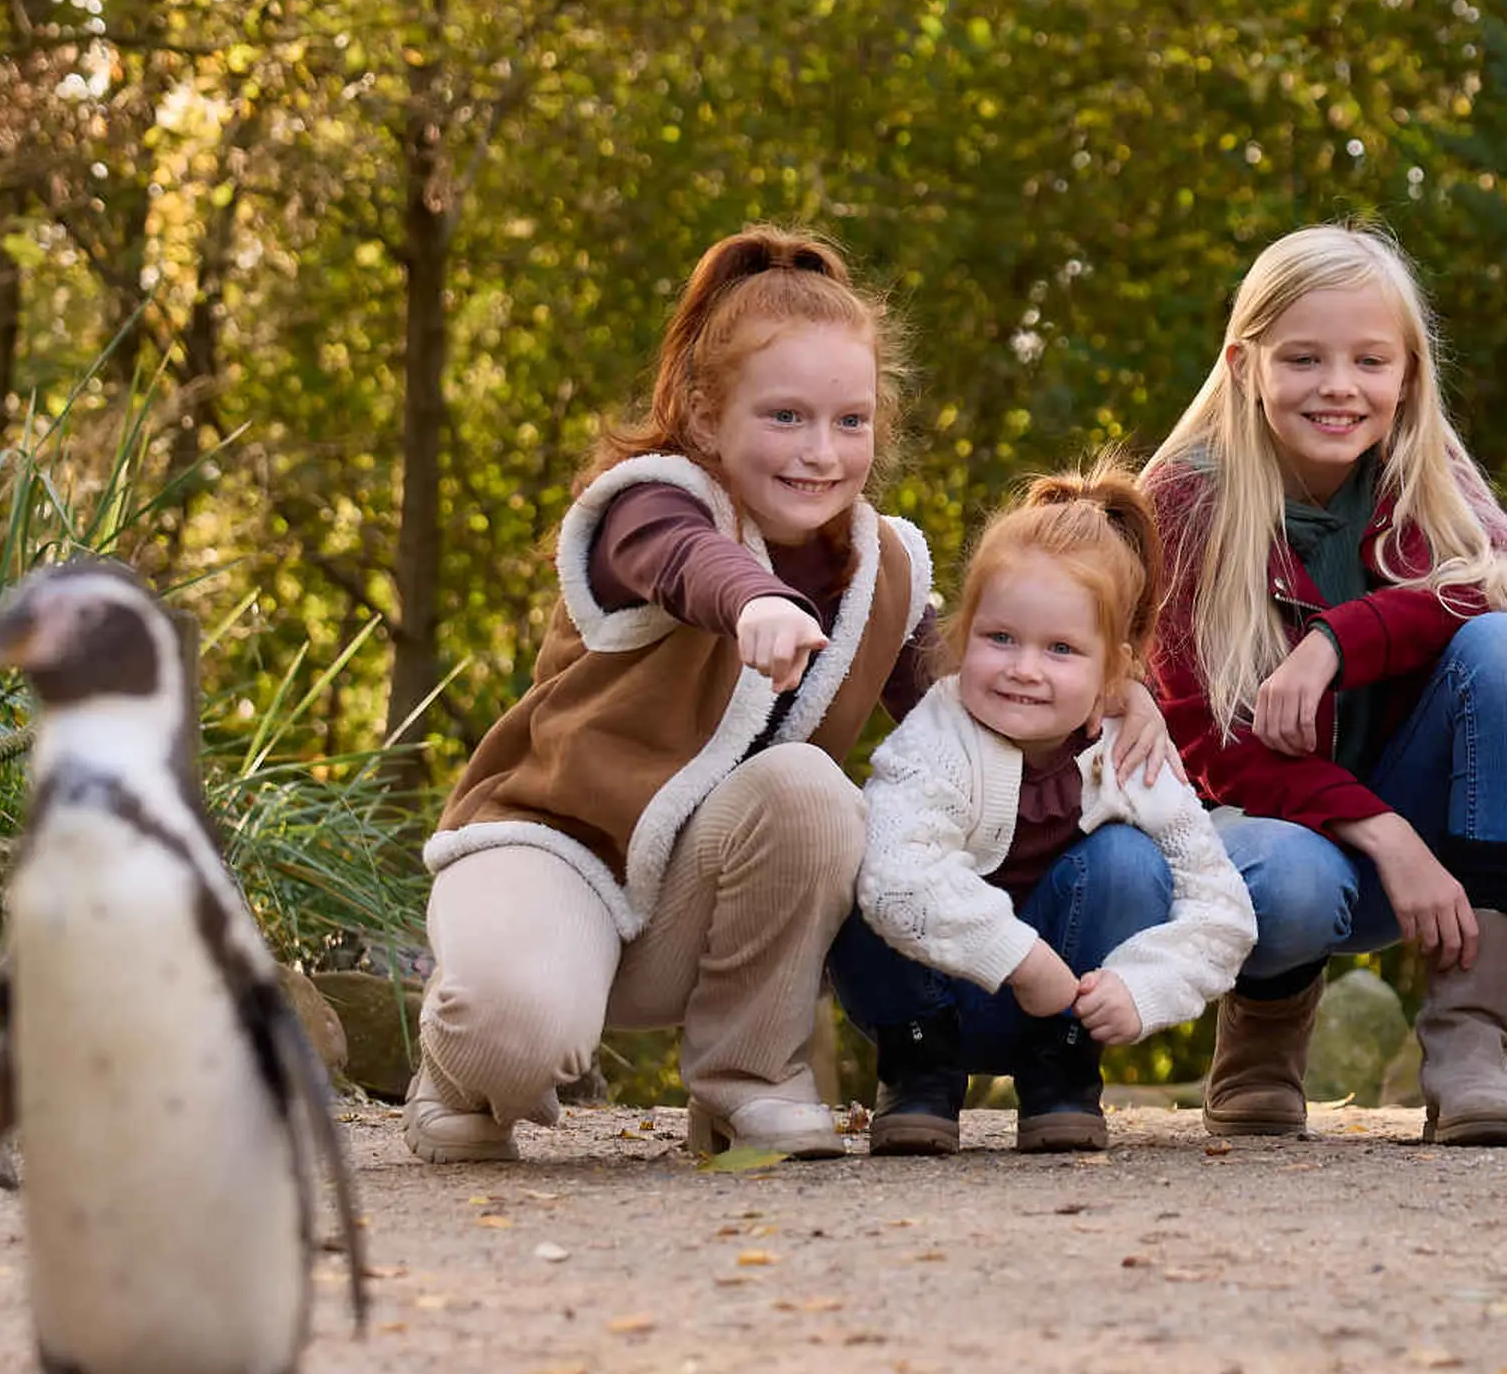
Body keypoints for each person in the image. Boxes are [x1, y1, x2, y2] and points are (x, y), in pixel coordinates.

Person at [407, 225, 934, 1164]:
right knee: (513, 1036)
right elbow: (687, 560)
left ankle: (749, 1077)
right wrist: (757, 601)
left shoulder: (881, 565)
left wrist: (1111, 704)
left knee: (814, 789)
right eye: (784, 418)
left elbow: (973, 704)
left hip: (692, 909)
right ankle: (457, 1071)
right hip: (553, 854)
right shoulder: (646, 502)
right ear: (703, 416)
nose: (821, 452)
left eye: (849, 422)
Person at [1146, 223, 1507, 1147]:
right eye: (1303, 358)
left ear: (1408, 374)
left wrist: (1338, 640)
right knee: (1293, 879)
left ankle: (1470, 1044)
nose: (1339, 387)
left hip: (1425, 862)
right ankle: (1261, 1042)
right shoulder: (1181, 503)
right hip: (1266, 857)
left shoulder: (1421, 471)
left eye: (1370, 360)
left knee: (1506, 648)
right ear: (1244, 363)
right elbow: (1207, 751)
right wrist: (1385, 836)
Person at [840, 460, 1256, 1156]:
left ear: (1113, 673)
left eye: (1061, 650)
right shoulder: (939, 734)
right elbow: (895, 880)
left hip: (1069, 1006)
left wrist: (1143, 986)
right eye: (999, 638)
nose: (1024, 668)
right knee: (861, 846)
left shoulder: (1131, 754)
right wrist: (1024, 961)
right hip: (930, 995)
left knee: (1129, 860)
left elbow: (1223, 910)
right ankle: (919, 1077)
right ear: (963, 636)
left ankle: (1059, 1074)